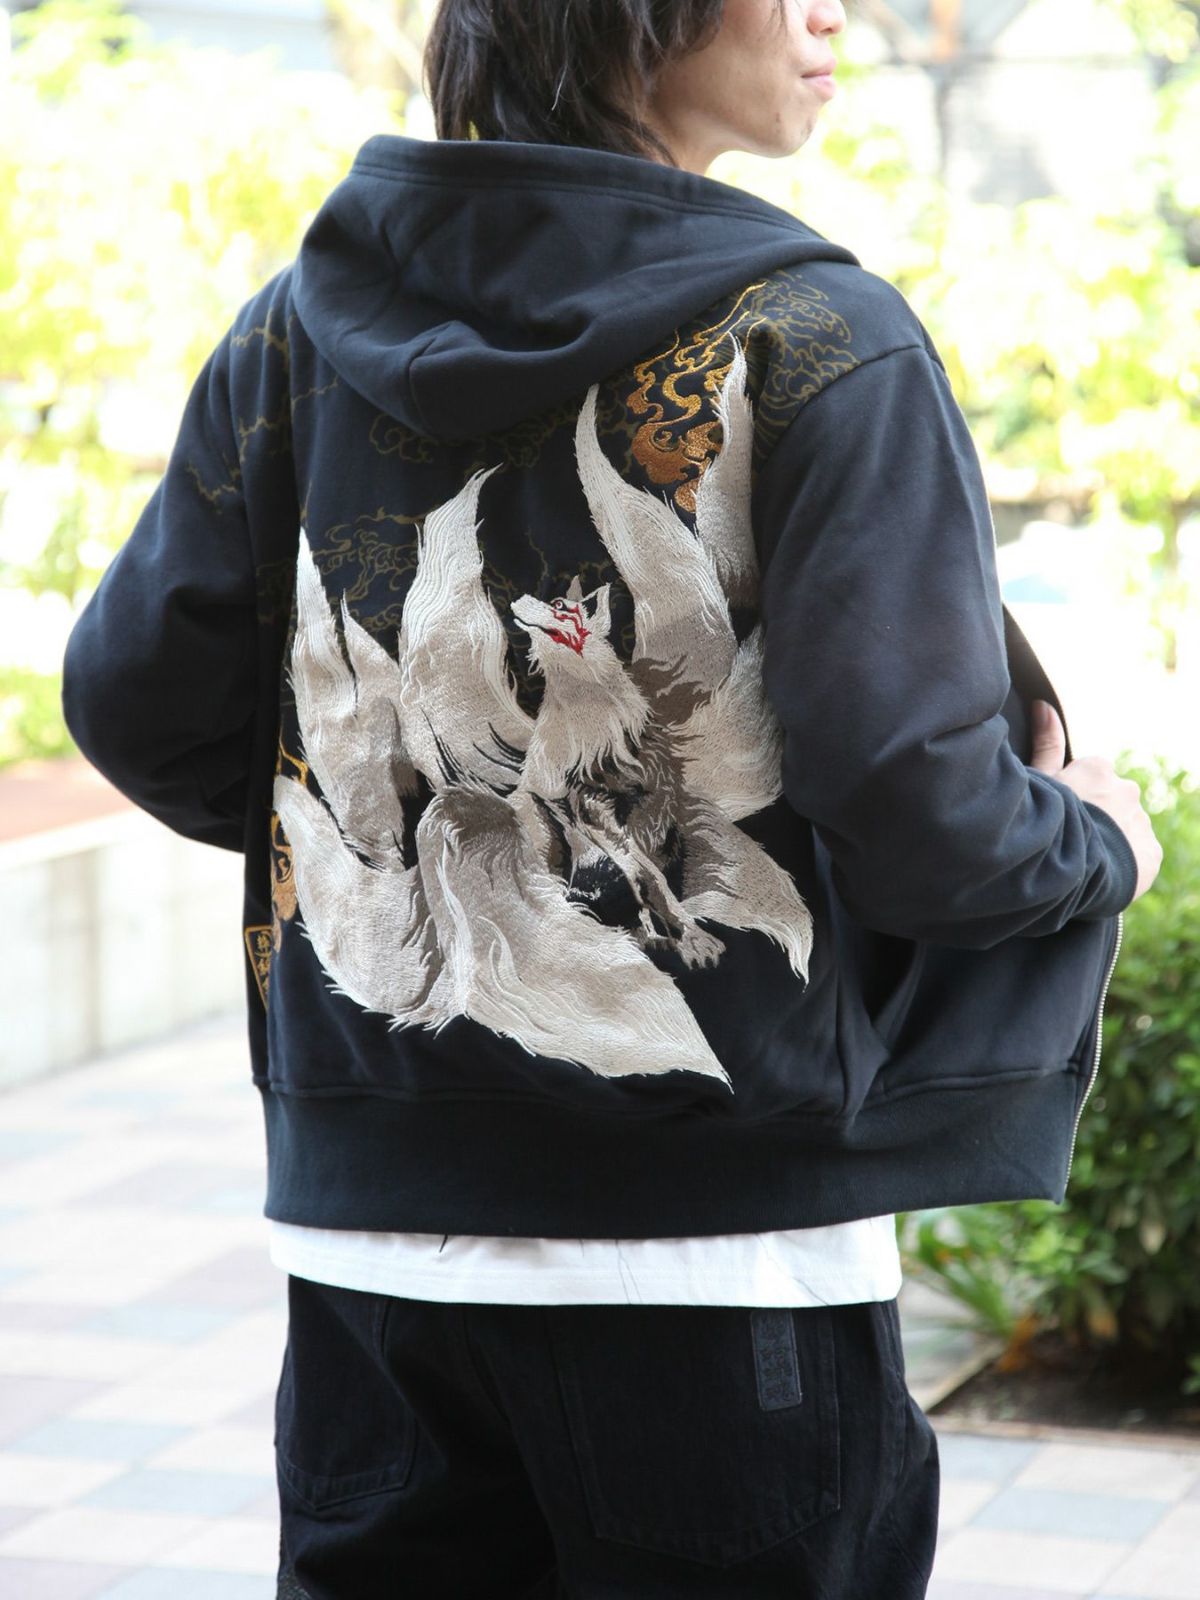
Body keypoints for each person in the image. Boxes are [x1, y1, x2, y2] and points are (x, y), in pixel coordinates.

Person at [60, 0, 1163, 1595]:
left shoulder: (291, 338)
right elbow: (921, 813)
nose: (833, 12)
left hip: (376, 1263)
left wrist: (404, 845)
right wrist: (1098, 840)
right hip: (722, 1262)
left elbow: (136, 701)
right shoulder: (816, 344)